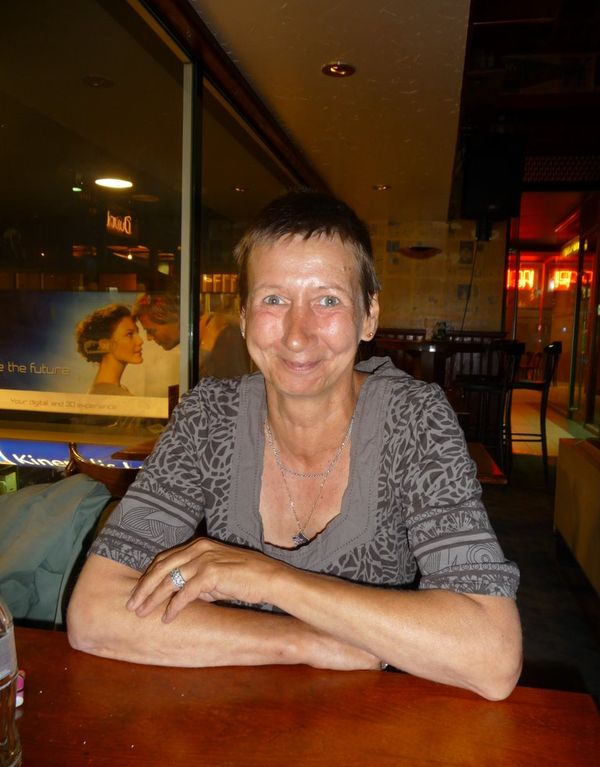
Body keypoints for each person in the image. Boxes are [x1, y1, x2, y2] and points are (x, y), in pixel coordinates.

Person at [68, 190, 522, 700]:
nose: (297, 335)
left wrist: (272, 580)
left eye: (327, 300)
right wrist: (304, 642)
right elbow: (94, 612)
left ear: (369, 315)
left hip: (371, 723)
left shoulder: (414, 420)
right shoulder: (208, 418)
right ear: (244, 316)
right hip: (231, 717)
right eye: (274, 300)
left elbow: (492, 655)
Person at [75, 304, 143, 395]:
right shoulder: (112, 394)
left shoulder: (104, 390)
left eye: (137, 332)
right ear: (105, 345)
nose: (140, 341)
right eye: (129, 334)